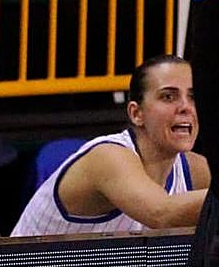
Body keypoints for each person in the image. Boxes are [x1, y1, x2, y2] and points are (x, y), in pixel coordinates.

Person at [11, 55, 209, 235]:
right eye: (168, 96)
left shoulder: (194, 169)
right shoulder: (107, 157)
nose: (186, 107)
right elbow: (161, 213)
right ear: (136, 114)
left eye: (193, 96)